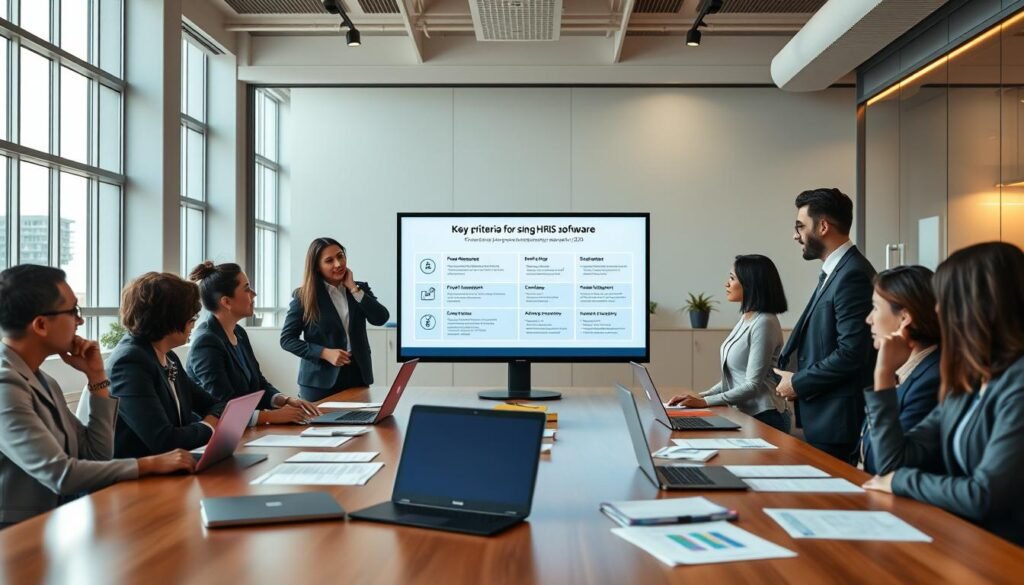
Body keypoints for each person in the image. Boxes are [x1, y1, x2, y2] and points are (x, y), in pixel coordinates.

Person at [0, 266, 195, 527]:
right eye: (73, 312)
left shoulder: (44, 381)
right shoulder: (6, 385)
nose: (79, 322)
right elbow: (60, 473)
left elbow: (96, 455)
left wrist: (96, 378)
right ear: (41, 325)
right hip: (15, 537)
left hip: (50, 526)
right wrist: (148, 465)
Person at [862, 242, 1024, 547]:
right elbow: (892, 462)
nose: (937, 310)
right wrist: (883, 377)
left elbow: (984, 495)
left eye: (945, 299)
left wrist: (899, 481)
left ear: (978, 306)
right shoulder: (972, 379)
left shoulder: (1017, 382)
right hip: (969, 544)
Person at [773, 187, 876, 462]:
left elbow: (852, 352)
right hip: (825, 417)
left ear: (822, 226)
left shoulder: (852, 275)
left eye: (800, 226)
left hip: (838, 422)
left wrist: (798, 382)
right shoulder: (839, 271)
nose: (796, 235)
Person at [186, 261, 320, 426]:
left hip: (246, 430)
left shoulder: (239, 333)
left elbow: (258, 383)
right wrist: (273, 416)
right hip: (218, 436)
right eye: (247, 288)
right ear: (226, 302)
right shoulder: (206, 342)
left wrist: (283, 400)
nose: (254, 294)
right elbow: (223, 406)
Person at [668, 254, 791, 433]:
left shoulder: (764, 322)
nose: (726, 284)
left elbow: (752, 385)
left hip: (766, 416)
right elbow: (732, 380)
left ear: (750, 283)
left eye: (732, 278)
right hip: (745, 413)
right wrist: (699, 397)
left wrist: (704, 402)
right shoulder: (747, 318)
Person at [108, 272, 224, 458]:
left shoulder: (168, 356)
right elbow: (164, 441)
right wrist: (210, 426)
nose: (194, 323)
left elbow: (216, 406)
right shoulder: (129, 363)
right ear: (168, 318)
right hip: (137, 478)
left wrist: (210, 421)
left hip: (173, 467)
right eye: (191, 317)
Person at [281, 238, 390, 402]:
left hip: (357, 375)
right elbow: (287, 340)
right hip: (320, 381)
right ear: (317, 266)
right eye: (329, 260)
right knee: (320, 426)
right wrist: (324, 353)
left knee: (363, 426)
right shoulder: (304, 296)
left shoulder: (358, 289)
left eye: (341, 256)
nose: (338, 264)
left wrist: (354, 289)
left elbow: (380, 318)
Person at [859, 265, 940, 474]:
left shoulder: (933, 379)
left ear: (904, 318)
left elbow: (885, 465)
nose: (869, 319)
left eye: (875, 308)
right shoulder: (906, 370)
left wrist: (883, 374)